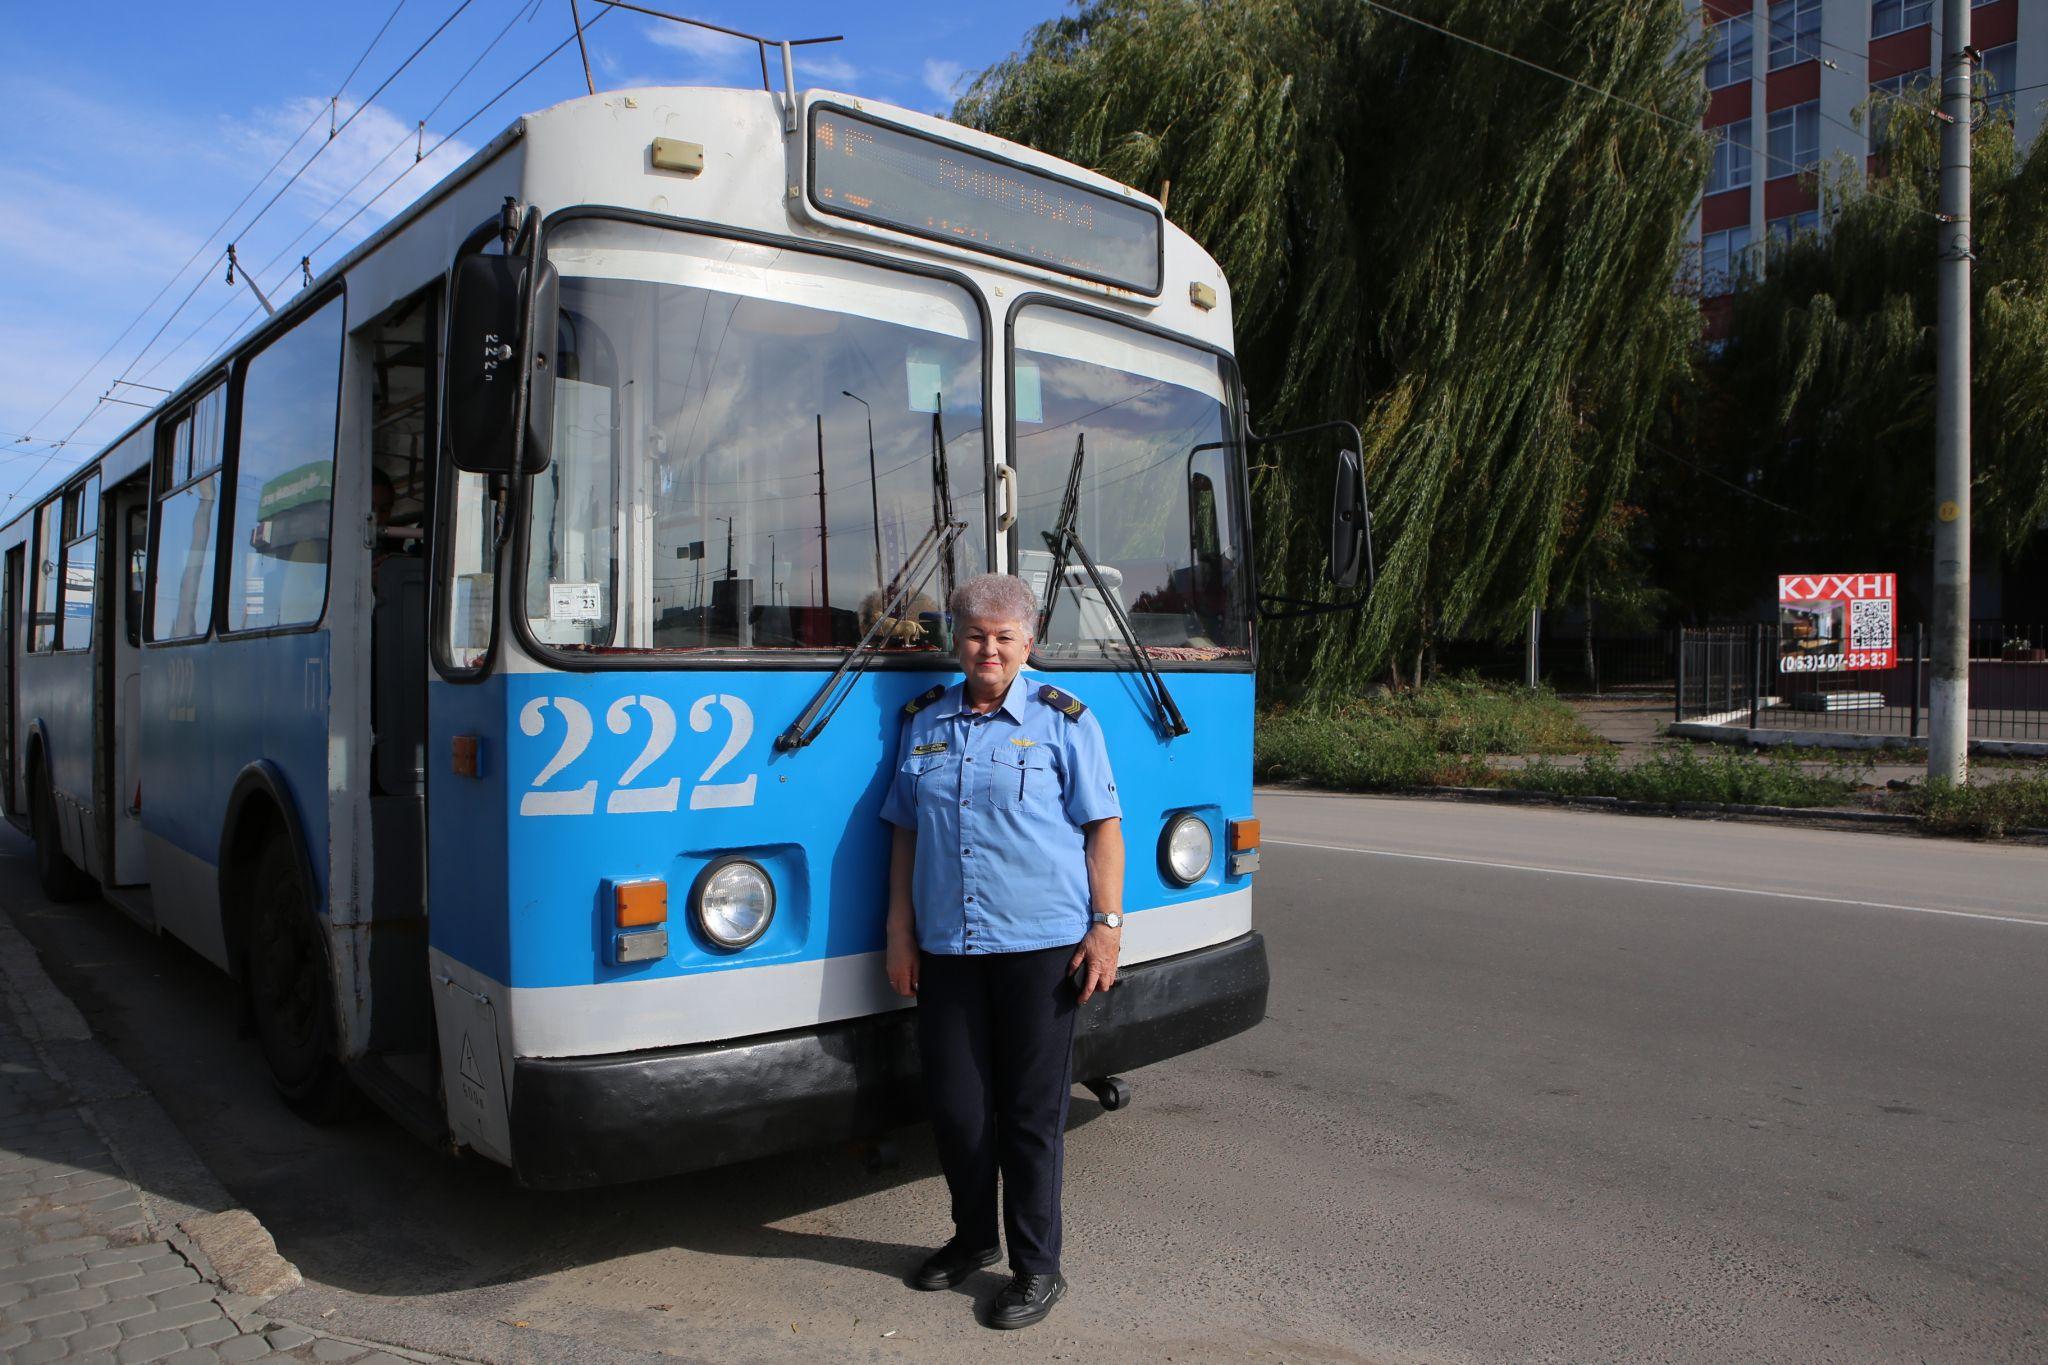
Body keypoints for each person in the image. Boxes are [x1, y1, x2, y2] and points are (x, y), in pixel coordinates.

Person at [879, 572, 1125, 1331]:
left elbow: (1103, 827)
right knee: (957, 1110)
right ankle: (973, 1238)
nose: (989, 648)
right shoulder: (924, 720)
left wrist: (1106, 925)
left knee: (1028, 1114)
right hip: (949, 944)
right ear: (956, 639)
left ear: (1029, 641)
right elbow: (904, 831)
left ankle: (1037, 1266)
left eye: (1004, 636)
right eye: (976, 634)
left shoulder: (1065, 719)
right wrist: (900, 929)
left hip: (1041, 947)